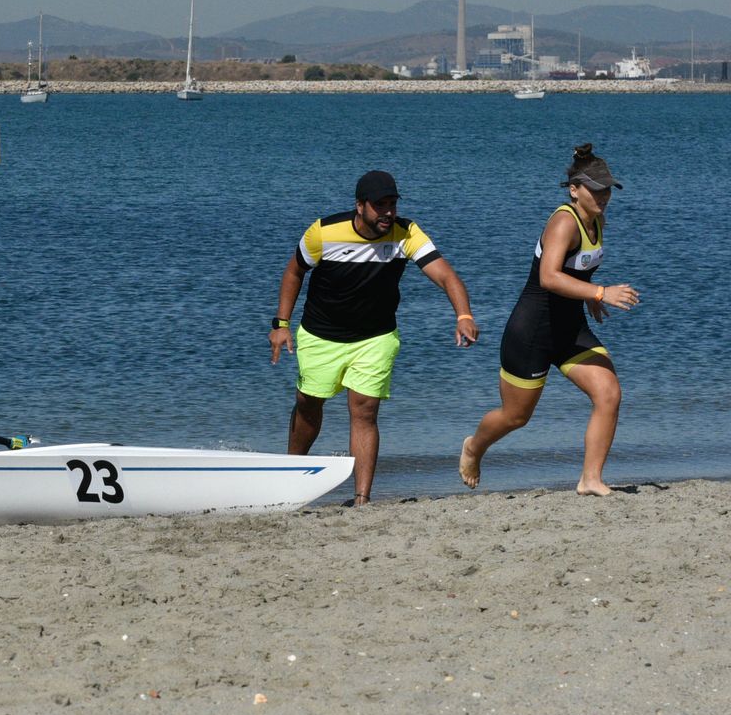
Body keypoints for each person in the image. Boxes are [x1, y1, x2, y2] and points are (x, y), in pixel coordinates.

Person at [269, 170, 477, 504]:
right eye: (380, 205)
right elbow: (294, 272)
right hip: (320, 335)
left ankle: (363, 499)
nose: (388, 212)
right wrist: (281, 324)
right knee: (309, 405)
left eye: (392, 204)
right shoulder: (323, 232)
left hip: (375, 338)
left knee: (364, 412)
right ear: (360, 206)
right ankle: (289, 477)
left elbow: (446, 275)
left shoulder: (405, 234)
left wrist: (463, 314)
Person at [460, 144, 639, 496]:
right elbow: (549, 277)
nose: (603, 197)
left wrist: (589, 297)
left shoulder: (596, 220)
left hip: (570, 329)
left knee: (608, 393)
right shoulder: (563, 222)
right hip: (532, 332)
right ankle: (474, 447)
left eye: (607, 190)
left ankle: (590, 479)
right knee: (516, 417)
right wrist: (600, 293)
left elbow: (578, 267)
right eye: (595, 189)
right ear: (574, 189)